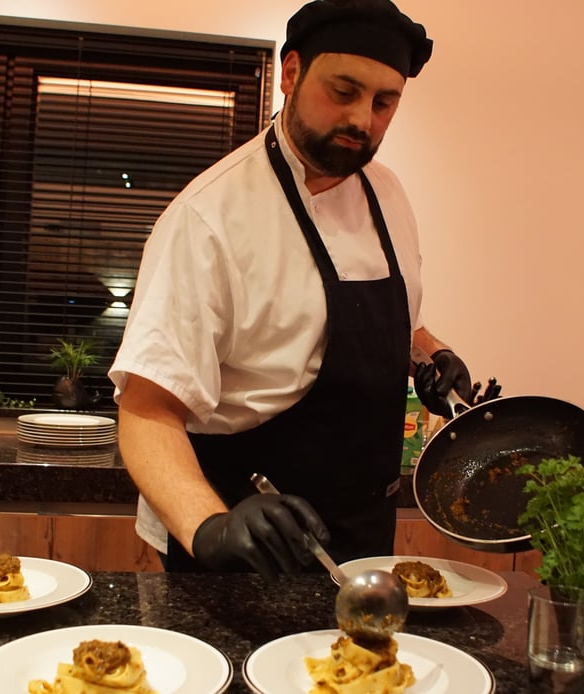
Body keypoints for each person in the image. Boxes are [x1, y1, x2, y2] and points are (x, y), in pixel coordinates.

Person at [109, 0, 474, 582]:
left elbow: (381, 322)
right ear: (291, 73)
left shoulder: (388, 194)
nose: (362, 119)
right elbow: (147, 410)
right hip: (242, 541)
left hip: (363, 533)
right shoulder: (208, 219)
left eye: (384, 103)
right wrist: (211, 527)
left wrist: (430, 355)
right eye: (344, 91)